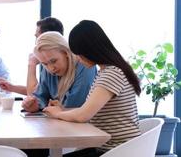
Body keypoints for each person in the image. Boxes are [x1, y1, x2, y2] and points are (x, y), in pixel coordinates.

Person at [43, 20, 142, 156]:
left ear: (91, 50)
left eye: (79, 53)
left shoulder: (112, 73)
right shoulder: (108, 70)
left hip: (117, 151)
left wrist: (58, 113)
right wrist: (62, 109)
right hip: (111, 148)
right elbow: (88, 110)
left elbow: (83, 115)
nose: (77, 58)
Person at [20, 31, 97, 113]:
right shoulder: (48, 70)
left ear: (66, 52)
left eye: (53, 61)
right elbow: (40, 98)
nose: (51, 68)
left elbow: (76, 107)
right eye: (44, 64)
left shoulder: (85, 65)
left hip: (87, 124)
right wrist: (33, 106)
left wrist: (59, 108)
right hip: (60, 122)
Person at [0, 17, 65, 95]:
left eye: (37, 37)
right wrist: (12, 87)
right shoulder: (48, 65)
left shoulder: (55, 64)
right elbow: (39, 92)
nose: (36, 42)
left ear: (46, 37)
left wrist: (31, 64)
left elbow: (33, 95)